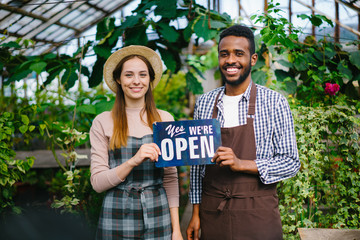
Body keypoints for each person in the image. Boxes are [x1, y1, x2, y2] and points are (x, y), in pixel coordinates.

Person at [186, 25, 300, 240]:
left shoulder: (274, 102)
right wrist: (195, 213)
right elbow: (197, 165)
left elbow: (291, 162)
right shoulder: (205, 103)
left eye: (239, 54)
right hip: (213, 211)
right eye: (224, 54)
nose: (230, 60)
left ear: (253, 59)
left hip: (258, 213)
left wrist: (242, 163)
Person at [90, 45, 183, 240]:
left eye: (142, 75)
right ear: (118, 79)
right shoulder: (103, 121)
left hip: (158, 213)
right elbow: (97, 183)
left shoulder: (165, 119)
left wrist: (176, 231)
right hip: (116, 213)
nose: (136, 81)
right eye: (129, 75)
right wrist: (133, 160)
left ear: (150, 79)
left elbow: (171, 180)